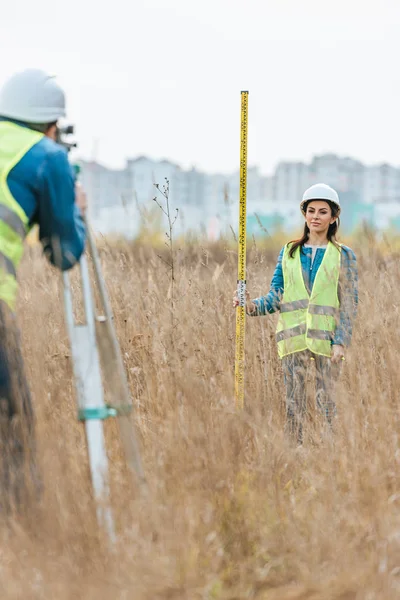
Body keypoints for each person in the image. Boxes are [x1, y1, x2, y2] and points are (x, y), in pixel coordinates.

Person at [0, 68, 87, 510]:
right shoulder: (46, 157)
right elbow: (64, 253)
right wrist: (76, 209)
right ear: (52, 124)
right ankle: (22, 541)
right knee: (12, 429)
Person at [233, 183, 358, 444]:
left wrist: (341, 342)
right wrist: (252, 306)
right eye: (311, 210)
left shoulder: (344, 256)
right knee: (294, 405)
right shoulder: (289, 252)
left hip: (327, 341)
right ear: (304, 214)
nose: (315, 216)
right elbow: (276, 296)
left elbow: (349, 304)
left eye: (323, 212)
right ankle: (295, 453)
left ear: (334, 217)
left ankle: (329, 455)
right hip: (292, 338)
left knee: (327, 405)